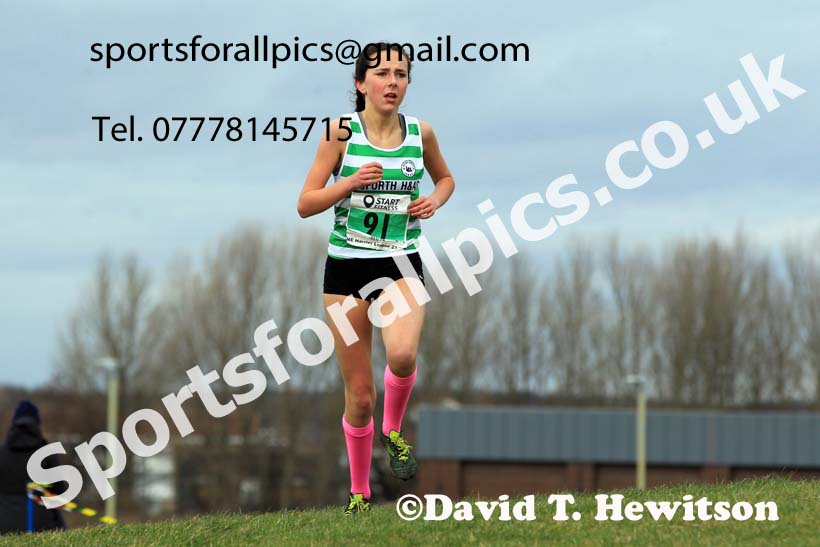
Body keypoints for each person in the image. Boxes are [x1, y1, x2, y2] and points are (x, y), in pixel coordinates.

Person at [297, 41, 455, 515]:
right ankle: (360, 493)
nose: (393, 81)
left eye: (401, 74)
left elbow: (445, 179)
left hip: (401, 261)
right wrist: (347, 184)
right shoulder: (339, 133)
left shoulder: (420, 134)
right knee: (360, 397)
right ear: (361, 83)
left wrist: (435, 200)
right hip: (346, 269)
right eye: (382, 73)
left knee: (403, 354)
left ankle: (394, 431)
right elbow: (305, 203)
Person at [0, 401, 66, 534]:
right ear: (37, 423)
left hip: (4, 526)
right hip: (42, 526)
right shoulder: (47, 454)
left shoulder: (1, 453)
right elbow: (61, 492)